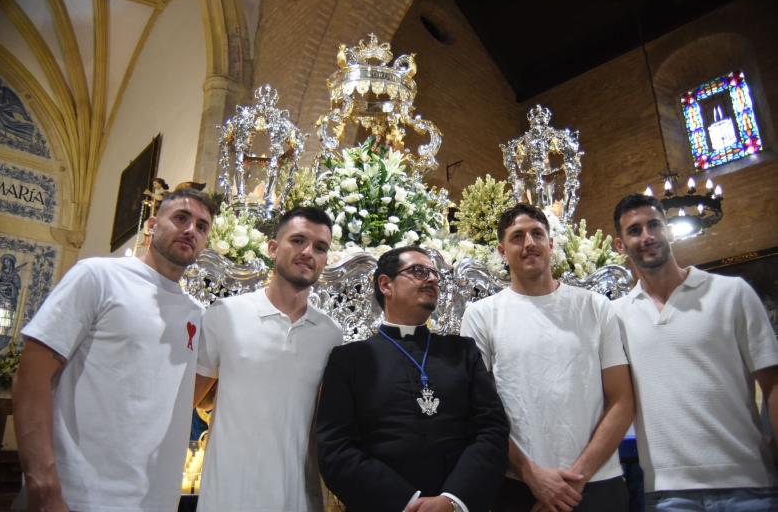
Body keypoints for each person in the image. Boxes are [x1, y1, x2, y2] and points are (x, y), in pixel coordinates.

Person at [13, 188, 216, 512]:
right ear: (152, 225)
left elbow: (176, 401)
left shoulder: (196, 314)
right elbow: (31, 377)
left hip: (154, 501)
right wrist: (43, 484)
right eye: (181, 218)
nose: (191, 230)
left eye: (202, 226)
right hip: (75, 495)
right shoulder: (98, 277)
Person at [461, 203, 634, 512]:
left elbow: (622, 400)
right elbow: (478, 408)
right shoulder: (481, 315)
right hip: (520, 486)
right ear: (502, 250)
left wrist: (577, 477)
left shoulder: (595, 307)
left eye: (537, 234)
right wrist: (530, 474)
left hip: (596, 482)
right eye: (517, 237)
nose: (529, 243)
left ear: (551, 244)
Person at [611, 193, 778, 511]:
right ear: (620, 245)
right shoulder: (616, 315)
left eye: (654, 225)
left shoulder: (731, 293)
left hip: (749, 484)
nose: (647, 236)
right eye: (634, 230)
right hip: (669, 493)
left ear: (668, 230)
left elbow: (773, 383)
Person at [316, 246, 509, 512]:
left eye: (434, 273)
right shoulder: (349, 360)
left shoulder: (462, 351)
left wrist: (453, 499)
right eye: (418, 271)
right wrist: (405, 502)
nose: (431, 279)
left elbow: (492, 430)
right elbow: (335, 448)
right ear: (385, 284)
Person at [194, 206, 342, 512]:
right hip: (227, 497)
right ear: (273, 248)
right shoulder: (226, 315)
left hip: (298, 498)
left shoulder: (330, 334)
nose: (308, 252)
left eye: (320, 247)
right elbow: (188, 402)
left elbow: (324, 424)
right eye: (298, 240)